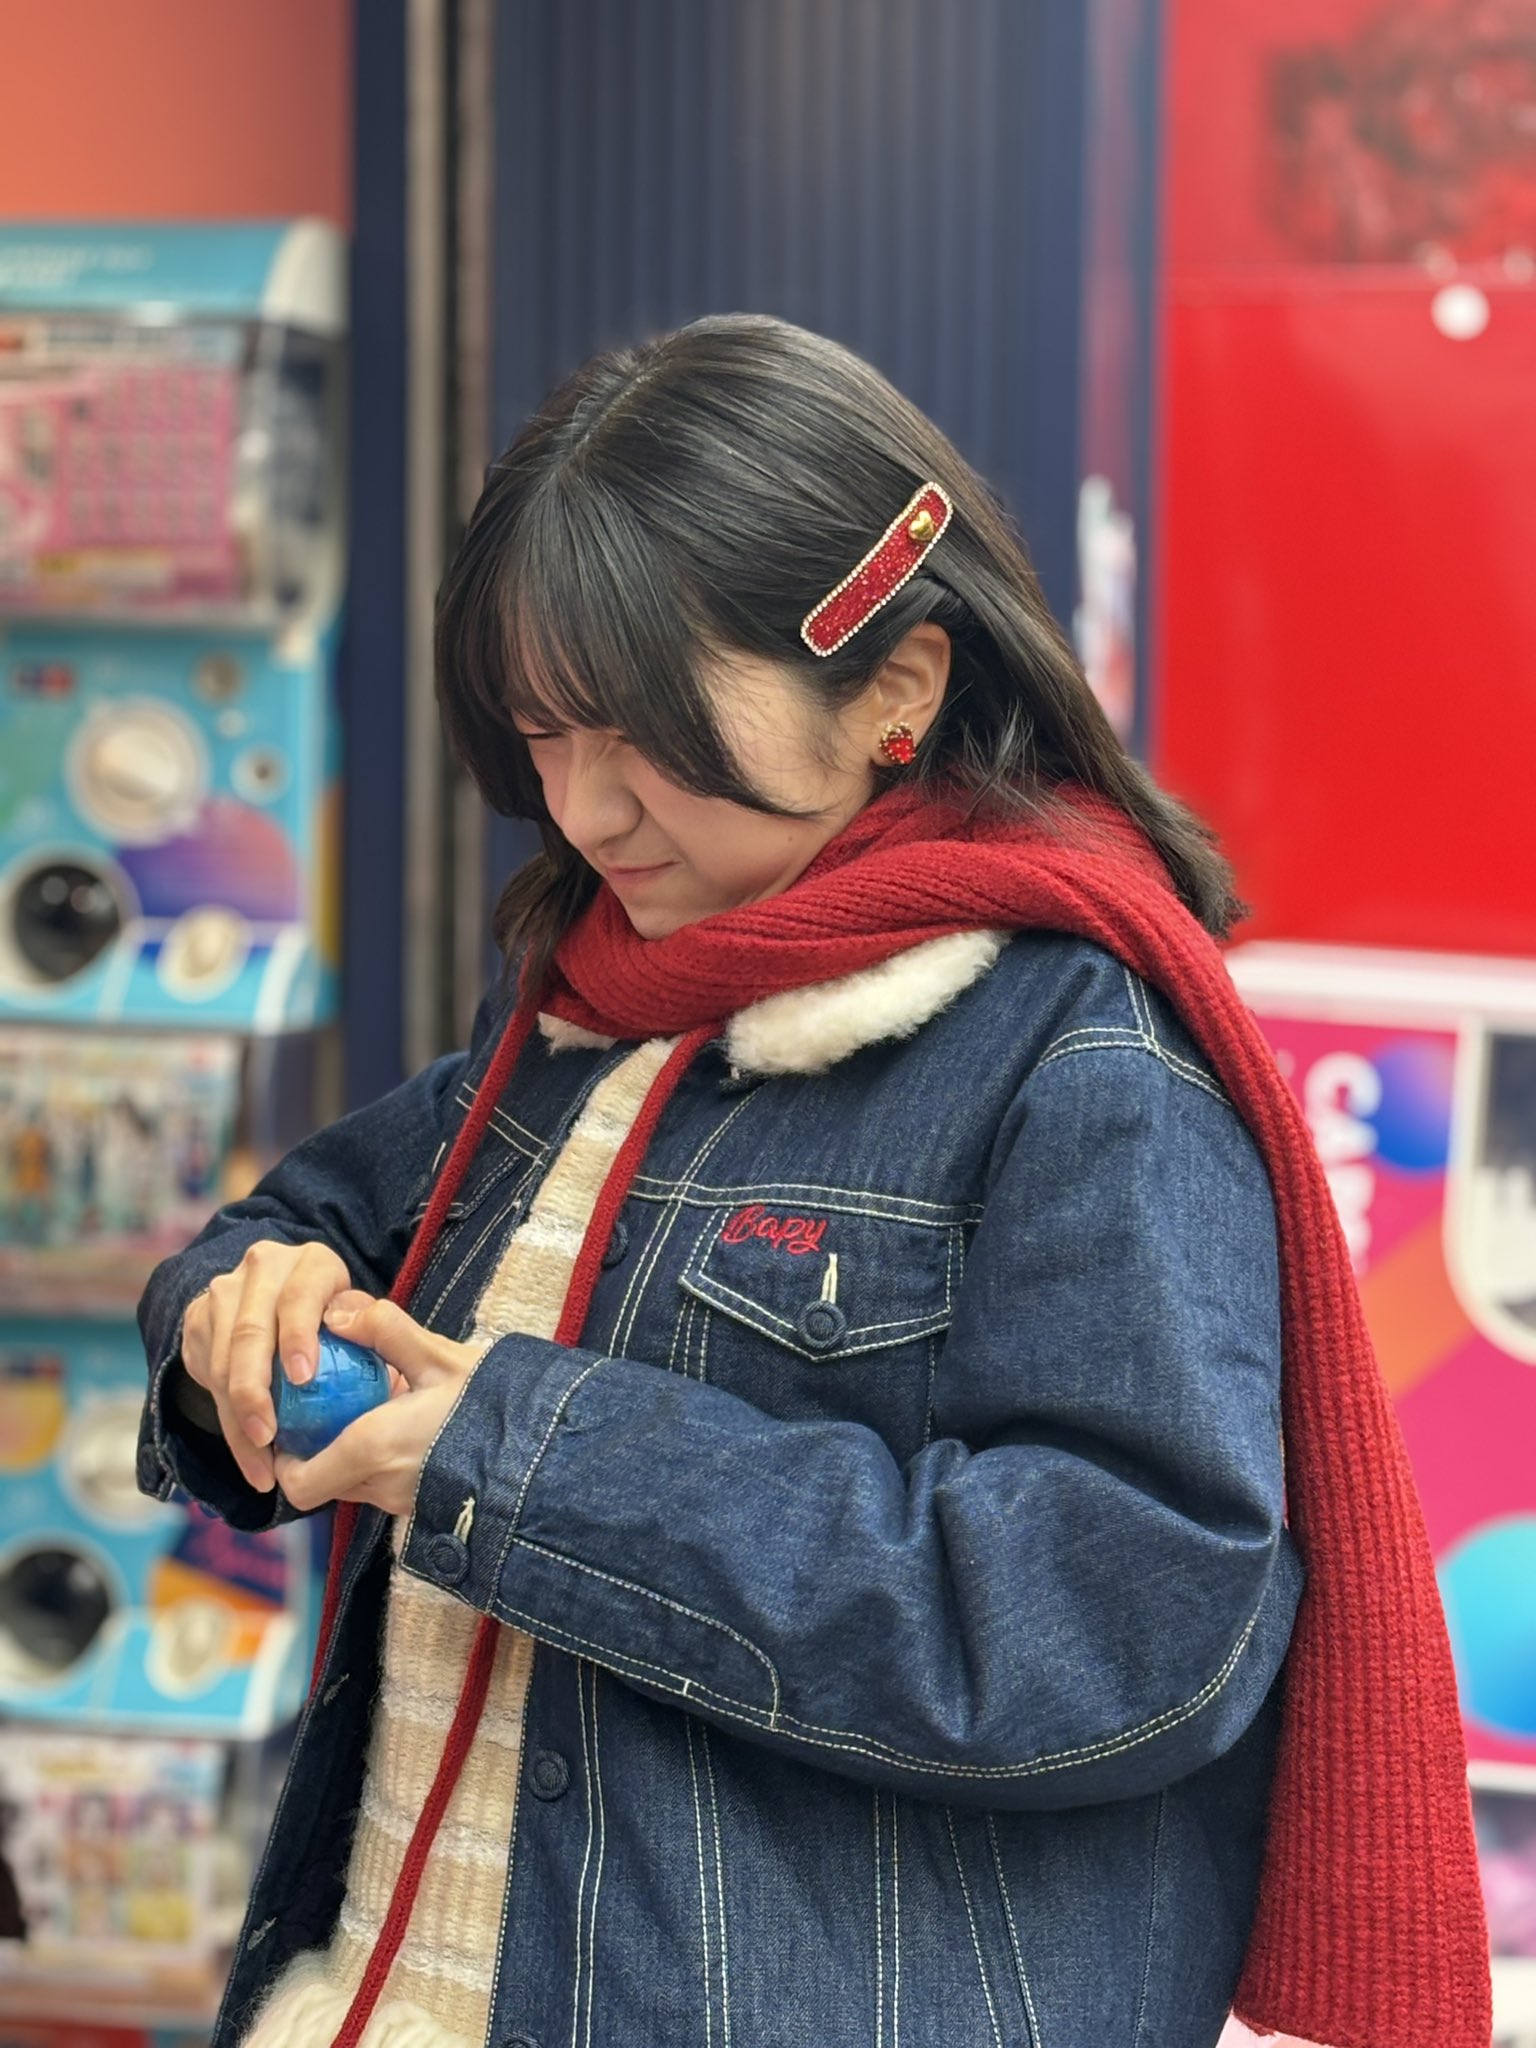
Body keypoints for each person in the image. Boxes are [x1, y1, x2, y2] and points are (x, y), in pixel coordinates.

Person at [136, 315, 1488, 2048]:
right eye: (542, 736)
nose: (585, 811)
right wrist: (238, 1317)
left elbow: (1123, 1625)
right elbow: (302, 1222)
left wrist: (520, 1461)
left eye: (645, 732)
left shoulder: (1077, 1056)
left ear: (898, 688)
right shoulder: (587, 1006)